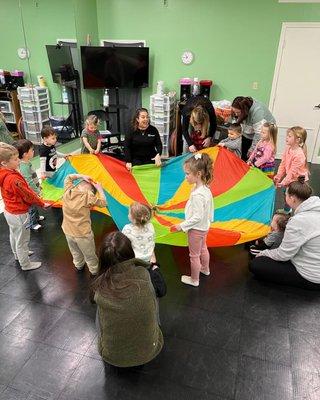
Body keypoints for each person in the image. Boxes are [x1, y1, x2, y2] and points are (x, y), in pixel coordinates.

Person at [91, 231, 164, 367]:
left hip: (111, 356)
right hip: (151, 350)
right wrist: (154, 266)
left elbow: (94, 300)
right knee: (152, 293)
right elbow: (162, 290)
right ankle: (155, 325)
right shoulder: (144, 273)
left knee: (99, 307)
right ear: (130, 252)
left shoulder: (100, 284)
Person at [249, 177, 320, 290]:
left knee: (257, 264)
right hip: (315, 264)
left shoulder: (299, 221)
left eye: (285, 194)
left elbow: (283, 255)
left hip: (312, 276)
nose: (285, 197)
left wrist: (264, 253)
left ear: (292, 199)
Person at [0, 142, 45, 271]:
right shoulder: (13, 179)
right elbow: (28, 194)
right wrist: (41, 203)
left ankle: (17, 255)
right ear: (4, 162)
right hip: (19, 213)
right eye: (15, 159)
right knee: (23, 240)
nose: (18, 161)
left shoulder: (4, 172)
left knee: (14, 235)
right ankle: (25, 264)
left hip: (9, 211)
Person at [170, 153, 214, 287]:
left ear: (199, 174)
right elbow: (211, 207)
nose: (185, 177)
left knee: (194, 255)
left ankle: (194, 280)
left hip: (196, 229)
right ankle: (205, 269)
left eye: (187, 174)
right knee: (203, 248)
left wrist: (182, 226)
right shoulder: (205, 189)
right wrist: (209, 221)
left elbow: (197, 217)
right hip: (204, 227)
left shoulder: (197, 195)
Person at [61, 174, 107, 276]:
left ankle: (78, 265)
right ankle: (94, 271)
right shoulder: (88, 197)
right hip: (83, 234)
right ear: (90, 191)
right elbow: (104, 203)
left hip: (68, 231)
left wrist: (82, 176)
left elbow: (68, 177)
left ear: (77, 185)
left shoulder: (68, 190)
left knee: (75, 252)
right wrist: (100, 189)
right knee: (90, 254)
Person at [122, 201, 166, 298]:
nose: (128, 214)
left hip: (135, 260)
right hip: (149, 259)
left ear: (133, 219)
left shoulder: (127, 229)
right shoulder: (151, 226)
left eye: (129, 213)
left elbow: (124, 243)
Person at [274, 126, 309, 212]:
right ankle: (287, 210)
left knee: (295, 198)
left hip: (298, 180)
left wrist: (283, 182)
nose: (286, 137)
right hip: (291, 178)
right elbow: (283, 163)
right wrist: (278, 176)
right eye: (287, 135)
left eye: (289, 136)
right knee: (287, 194)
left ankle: (297, 212)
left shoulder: (299, 155)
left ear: (297, 140)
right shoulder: (288, 148)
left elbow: (292, 172)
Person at [14, 139, 45, 231]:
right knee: (31, 207)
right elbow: (28, 181)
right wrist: (37, 191)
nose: (33, 151)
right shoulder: (24, 166)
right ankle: (33, 223)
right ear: (25, 154)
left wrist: (38, 185)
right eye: (32, 150)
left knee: (34, 205)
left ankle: (37, 217)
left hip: (33, 189)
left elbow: (33, 177)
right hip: (29, 192)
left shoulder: (27, 162)